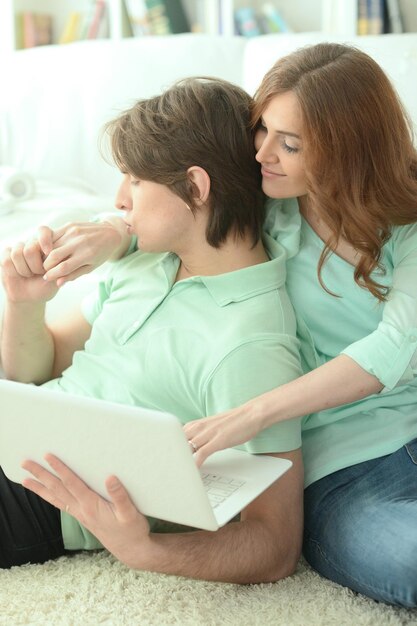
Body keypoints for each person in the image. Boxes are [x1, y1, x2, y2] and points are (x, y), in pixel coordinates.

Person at [38, 43, 417, 607]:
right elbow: (177, 198)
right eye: (262, 130)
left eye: (289, 143)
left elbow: (394, 349)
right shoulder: (270, 204)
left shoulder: (404, 228)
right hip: (344, 468)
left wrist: (252, 413)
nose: (262, 153)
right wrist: (113, 230)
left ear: (348, 149)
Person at [0, 77, 305, 582]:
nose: (119, 201)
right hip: (25, 427)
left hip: (46, 496)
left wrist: (146, 552)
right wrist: (24, 305)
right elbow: (35, 370)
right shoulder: (149, 259)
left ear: (196, 187)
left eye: (135, 181)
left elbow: (275, 543)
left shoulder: (250, 345)